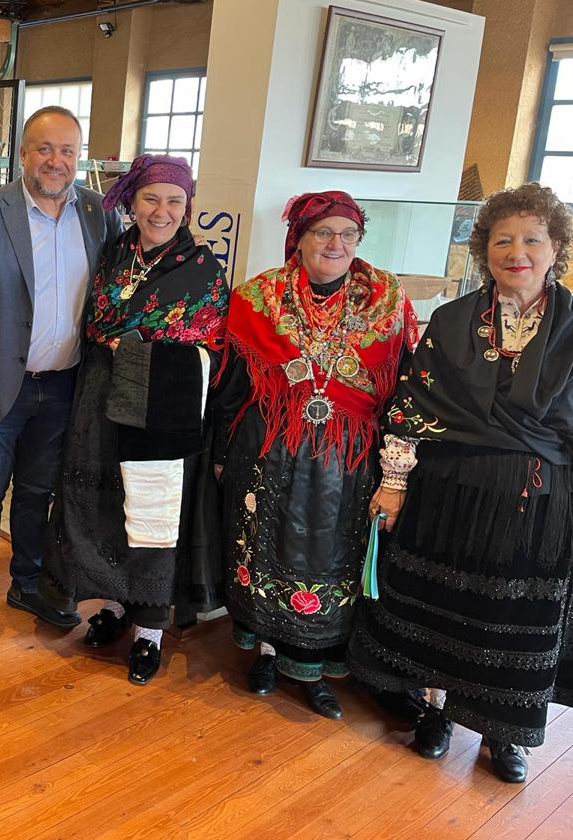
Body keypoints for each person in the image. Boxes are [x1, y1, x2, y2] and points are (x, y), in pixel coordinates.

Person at [349, 182, 573, 783]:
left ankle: (504, 735)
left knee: (514, 615)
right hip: (446, 491)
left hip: (537, 500)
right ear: (484, 250)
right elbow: (411, 404)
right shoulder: (451, 321)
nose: (516, 251)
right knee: (443, 608)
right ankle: (435, 710)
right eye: (502, 239)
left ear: (556, 249)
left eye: (532, 239)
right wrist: (393, 483)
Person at [215, 191, 417, 719]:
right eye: (323, 232)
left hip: (346, 460)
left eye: (347, 234)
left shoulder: (388, 300)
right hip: (267, 450)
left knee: (331, 555)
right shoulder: (258, 299)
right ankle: (264, 651)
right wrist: (220, 454)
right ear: (299, 239)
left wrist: (396, 471)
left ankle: (315, 662)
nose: (336, 244)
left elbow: (405, 389)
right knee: (259, 548)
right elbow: (231, 387)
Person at [39, 155, 229, 684]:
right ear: (132, 201)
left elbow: (210, 342)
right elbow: (94, 319)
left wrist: (140, 347)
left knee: (151, 513)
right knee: (101, 504)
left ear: (187, 206)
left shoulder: (202, 269)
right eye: (151, 198)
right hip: (100, 393)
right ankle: (118, 605)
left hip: (162, 401)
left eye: (174, 200)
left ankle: (150, 630)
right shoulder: (115, 252)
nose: (162, 210)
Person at [0, 105, 123, 645]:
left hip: (65, 384)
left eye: (67, 150)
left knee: (39, 493)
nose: (56, 161)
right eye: (45, 149)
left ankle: (26, 584)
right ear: (23, 154)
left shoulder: (96, 213)